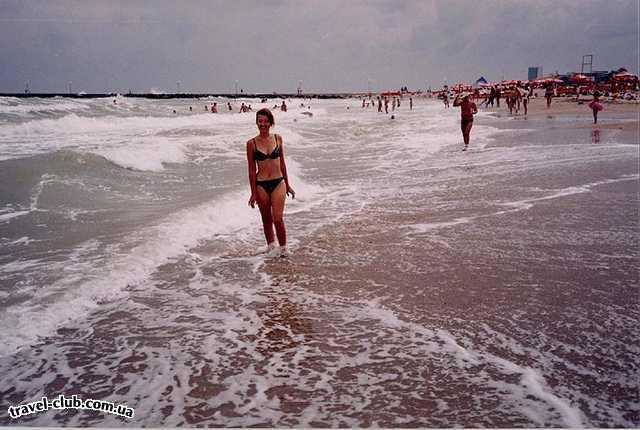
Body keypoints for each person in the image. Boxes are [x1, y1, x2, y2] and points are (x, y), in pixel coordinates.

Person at [246, 108, 295, 256]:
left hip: (278, 183)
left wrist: (288, 184)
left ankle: (284, 249)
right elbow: (250, 170)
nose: (263, 124)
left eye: (266, 121)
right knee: (266, 219)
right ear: (257, 122)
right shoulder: (251, 143)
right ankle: (271, 247)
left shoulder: (278, 138)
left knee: (278, 218)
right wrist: (253, 193)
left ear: (271, 122)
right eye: (260, 121)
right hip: (261, 184)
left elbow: (283, 164)